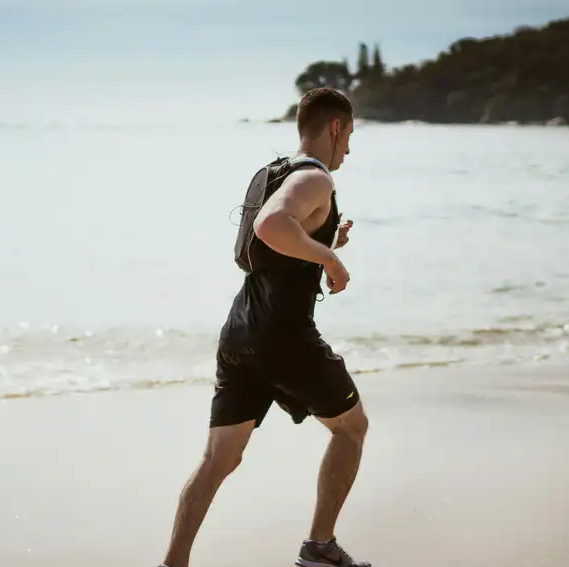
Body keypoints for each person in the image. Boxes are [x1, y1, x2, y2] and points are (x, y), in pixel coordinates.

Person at [157, 87, 370, 567]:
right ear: (334, 128)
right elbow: (270, 227)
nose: (350, 150)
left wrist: (322, 237)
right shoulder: (317, 180)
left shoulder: (275, 173)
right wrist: (330, 258)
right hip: (284, 337)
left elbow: (273, 247)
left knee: (219, 460)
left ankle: (173, 564)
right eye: (350, 135)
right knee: (351, 429)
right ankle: (319, 548)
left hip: (240, 333)